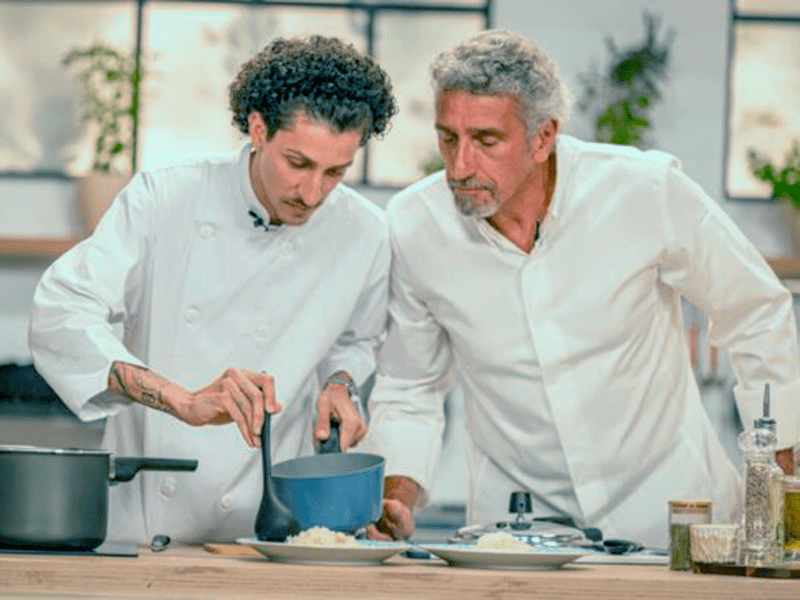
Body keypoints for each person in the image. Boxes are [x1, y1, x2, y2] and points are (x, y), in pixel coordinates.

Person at [361, 29, 800, 549]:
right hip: (516, 537)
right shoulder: (415, 224)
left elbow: (753, 309)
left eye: (486, 140)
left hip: (674, 513)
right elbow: (410, 384)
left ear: (543, 137)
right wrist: (396, 495)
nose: (459, 166)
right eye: (448, 138)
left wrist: (784, 460)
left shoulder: (645, 189)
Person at [29, 35, 397, 544]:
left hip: (276, 533)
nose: (314, 193)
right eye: (298, 163)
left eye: (335, 171)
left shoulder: (366, 231)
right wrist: (181, 400)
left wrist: (340, 384)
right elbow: (62, 310)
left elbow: (356, 340)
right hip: (149, 527)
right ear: (258, 129)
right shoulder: (165, 197)